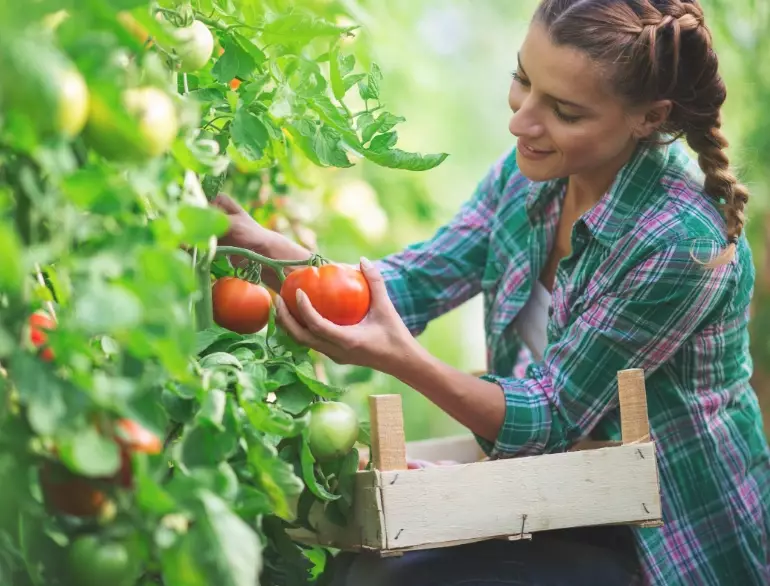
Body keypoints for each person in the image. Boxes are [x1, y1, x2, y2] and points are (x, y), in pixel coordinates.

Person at [213, 0, 770, 584]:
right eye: (523, 81)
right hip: (551, 491)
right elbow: (410, 284)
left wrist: (396, 358)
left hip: (659, 537)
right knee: (355, 568)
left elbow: (549, 417)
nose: (521, 122)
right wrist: (273, 254)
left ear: (650, 118)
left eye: (564, 111)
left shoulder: (680, 242)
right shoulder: (531, 177)